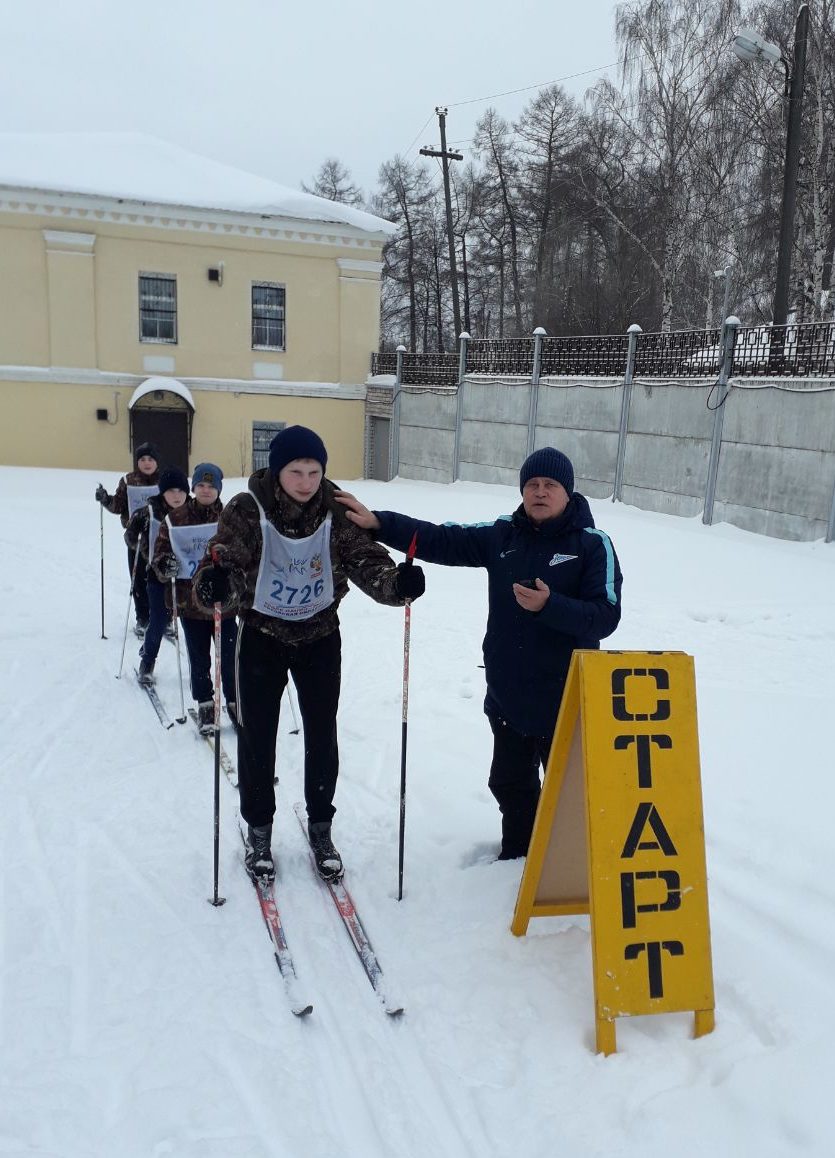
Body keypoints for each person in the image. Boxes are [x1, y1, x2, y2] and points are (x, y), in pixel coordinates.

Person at [335, 447, 623, 860]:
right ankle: (516, 858)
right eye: (532, 485)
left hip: (566, 700)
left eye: (550, 485)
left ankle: (565, 869)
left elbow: (606, 615)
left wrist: (551, 606)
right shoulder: (502, 535)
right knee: (510, 785)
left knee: (571, 796)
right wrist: (381, 524)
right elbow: (441, 538)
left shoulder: (593, 545)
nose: (540, 492)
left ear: (568, 492)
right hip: (508, 695)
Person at [192, 425, 426, 883]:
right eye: (295, 471)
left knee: (322, 733)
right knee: (258, 735)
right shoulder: (246, 508)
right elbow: (223, 563)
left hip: (320, 636)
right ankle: (259, 829)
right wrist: (216, 585)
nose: (305, 481)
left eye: (314, 471)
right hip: (262, 635)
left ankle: (321, 826)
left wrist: (396, 585)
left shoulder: (336, 509)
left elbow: (366, 559)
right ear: (278, 471)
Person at [152, 463, 238, 732]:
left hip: (224, 603)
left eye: (211, 486)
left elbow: (243, 553)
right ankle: (204, 704)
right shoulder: (175, 518)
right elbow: (160, 554)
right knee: (198, 656)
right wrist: (166, 565)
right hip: (190, 601)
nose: (205, 490)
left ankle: (235, 701)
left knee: (230, 655)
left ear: (219, 489)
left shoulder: (230, 518)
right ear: (194, 487)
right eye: (201, 485)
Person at [125, 467, 190, 685]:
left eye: (181, 491)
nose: (176, 496)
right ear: (162, 491)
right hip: (157, 576)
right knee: (159, 620)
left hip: (188, 577)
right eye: (171, 491)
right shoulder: (148, 512)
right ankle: (148, 661)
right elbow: (130, 536)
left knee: (192, 624)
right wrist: (139, 545)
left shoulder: (194, 511)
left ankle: (200, 669)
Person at [96, 442, 161, 634]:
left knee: (161, 578)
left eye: (150, 459)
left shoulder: (164, 480)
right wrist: (105, 499)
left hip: (161, 538)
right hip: (137, 539)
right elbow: (118, 505)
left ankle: (163, 619)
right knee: (139, 579)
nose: (147, 463)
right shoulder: (128, 481)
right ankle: (143, 618)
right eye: (142, 459)